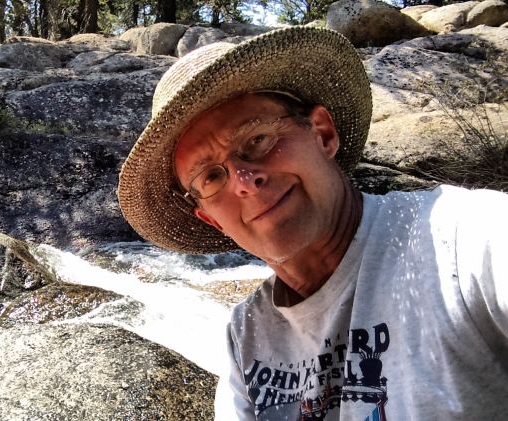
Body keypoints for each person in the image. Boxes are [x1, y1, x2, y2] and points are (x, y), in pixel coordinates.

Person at [117, 26, 508, 420]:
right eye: (211, 177)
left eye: (257, 141)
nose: (244, 181)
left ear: (323, 134)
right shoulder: (247, 336)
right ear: (210, 220)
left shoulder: (467, 236)